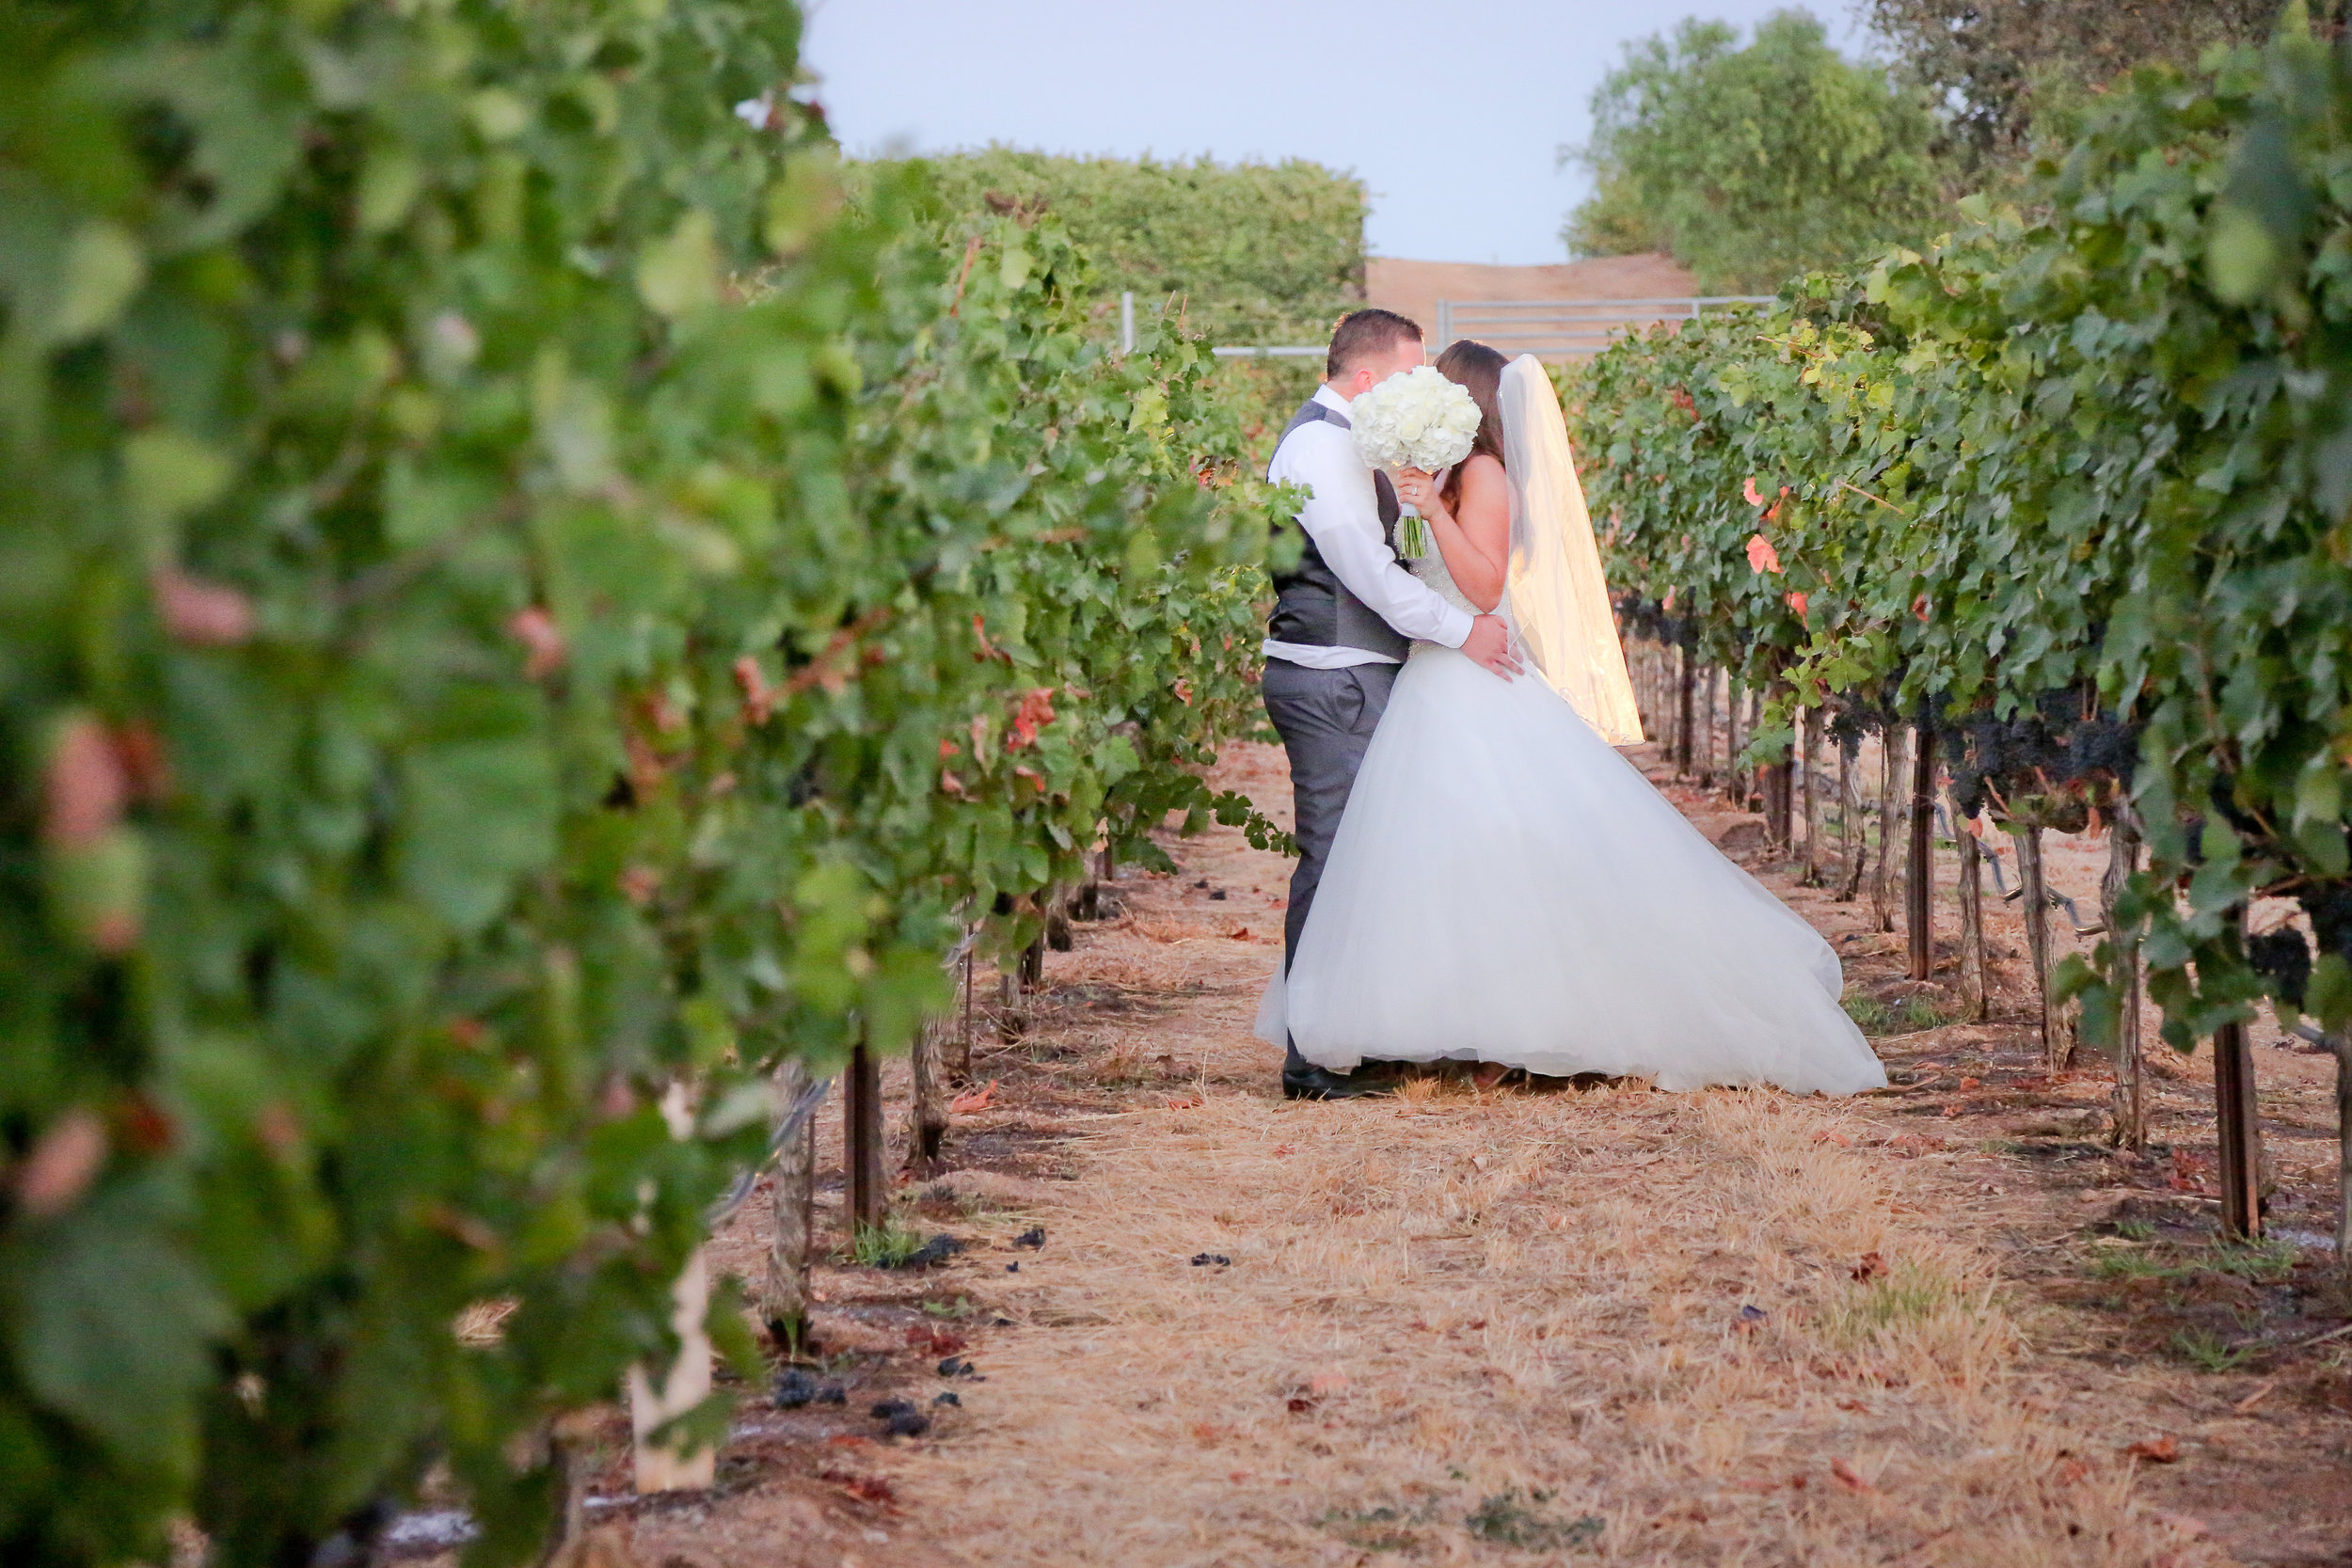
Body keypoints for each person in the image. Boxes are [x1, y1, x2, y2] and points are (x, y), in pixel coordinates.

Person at [1255, 341, 1886, 1098]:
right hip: (1431, 674)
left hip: (1467, 670)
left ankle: (1517, 1027)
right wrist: (1422, 503)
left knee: (1499, 851)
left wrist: (1430, 517)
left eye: (1436, 384)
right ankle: (1441, 1028)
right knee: (1431, 862)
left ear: (1465, 401)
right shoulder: (1434, 475)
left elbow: (1484, 589)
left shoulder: (1484, 475)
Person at [1258, 310, 1523, 1100]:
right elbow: (1368, 575)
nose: (1421, 386)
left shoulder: (1348, 441)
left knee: (1366, 857)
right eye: (1410, 372)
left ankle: (1357, 1031)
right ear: (1369, 378)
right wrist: (1460, 631)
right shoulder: (1320, 446)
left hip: (1355, 668)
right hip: (1335, 672)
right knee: (1335, 857)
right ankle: (1310, 1056)